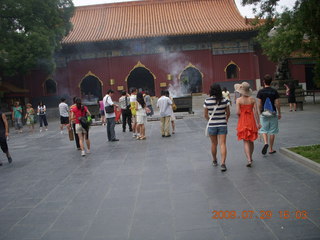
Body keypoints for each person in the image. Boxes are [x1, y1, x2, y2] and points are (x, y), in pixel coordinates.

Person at [204, 84, 230, 172]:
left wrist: (210, 120)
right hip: (222, 124)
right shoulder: (225, 100)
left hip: (212, 125)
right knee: (222, 144)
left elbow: (205, 115)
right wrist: (226, 119)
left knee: (214, 144)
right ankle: (223, 163)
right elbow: (228, 113)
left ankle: (214, 160)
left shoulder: (207, 101)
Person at [235, 82, 261, 167]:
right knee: (251, 140)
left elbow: (237, 112)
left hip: (243, 120)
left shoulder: (238, 100)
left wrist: (241, 115)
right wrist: (258, 123)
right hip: (251, 120)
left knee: (245, 141)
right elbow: (256, 112)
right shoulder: (253, 99)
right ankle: (251, 156)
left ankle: (248, 159)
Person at [257, 74, 281, 155]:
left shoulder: (261, 91)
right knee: (272, 131)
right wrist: (279, 112)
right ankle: (271, 149)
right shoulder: (274, 91)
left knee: (264, 129)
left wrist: (260, 111)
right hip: (273, 113)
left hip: (264, 113)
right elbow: (277, 102)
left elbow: (259, 103)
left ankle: (265, 143)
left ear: (264, 82)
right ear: (271, 82)